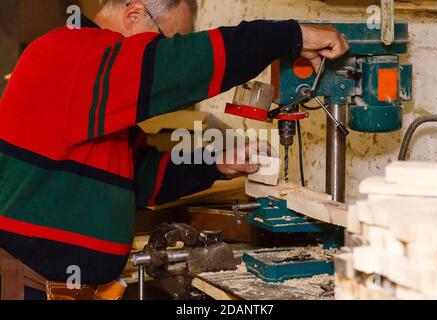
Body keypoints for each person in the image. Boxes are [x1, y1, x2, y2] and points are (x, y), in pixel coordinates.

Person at [0, 0, 349, 298]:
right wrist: (287, 35)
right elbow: (180, 69)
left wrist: (215, 163)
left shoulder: (96, 89)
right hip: (29, 288)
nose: (164, 54)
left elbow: (143, 178)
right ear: (134, 14)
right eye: (164, 42)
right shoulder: (72, 54)